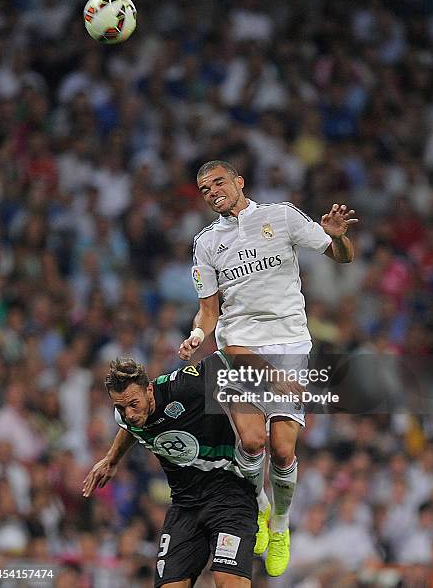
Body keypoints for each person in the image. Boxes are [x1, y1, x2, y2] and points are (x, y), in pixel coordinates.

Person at [179, 160, 358, 576]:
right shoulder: (206, 243)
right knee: (253, 443)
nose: (212, 191)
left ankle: (279, 524)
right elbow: (209, 311)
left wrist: (340, 237)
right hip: (238, 341)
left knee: (282, 450)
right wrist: (196, 334)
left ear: (239, 182)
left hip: (290, 339)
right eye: (204, 189)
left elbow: (341, 256)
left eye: (218, 182)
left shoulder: (280, 216)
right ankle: (258, 507)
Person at [82, 353, 258, 588]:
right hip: (185, 505)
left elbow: (228, 358)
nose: (130, 414)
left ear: (150, 391)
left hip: (229, 494)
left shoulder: (186, 385)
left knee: (229, 582)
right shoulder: (125, 415)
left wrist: (276, 378)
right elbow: (129, 428)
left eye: (134, 404)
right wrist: (111, 459)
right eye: (121, 407)